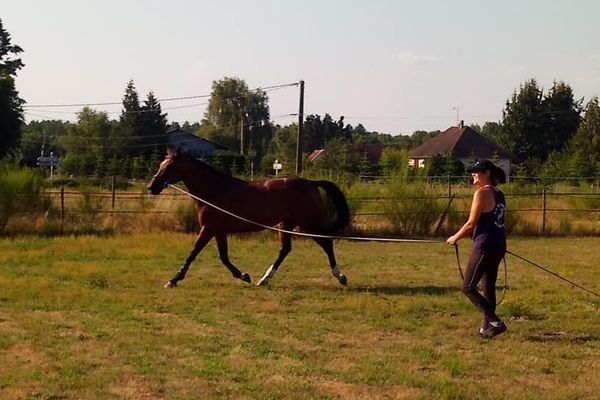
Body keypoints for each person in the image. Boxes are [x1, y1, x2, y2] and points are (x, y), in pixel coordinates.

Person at [446, 160, 507, 339]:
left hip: (484, 246)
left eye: (476, 171)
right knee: (488, 288)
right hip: (498, 245)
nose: (473, 174)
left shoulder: (481, 193)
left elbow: (471, 223)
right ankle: (485, 329)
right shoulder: (499, 193)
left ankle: (495, 322)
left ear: (487, 173)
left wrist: (455, 237)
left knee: (468, 287)